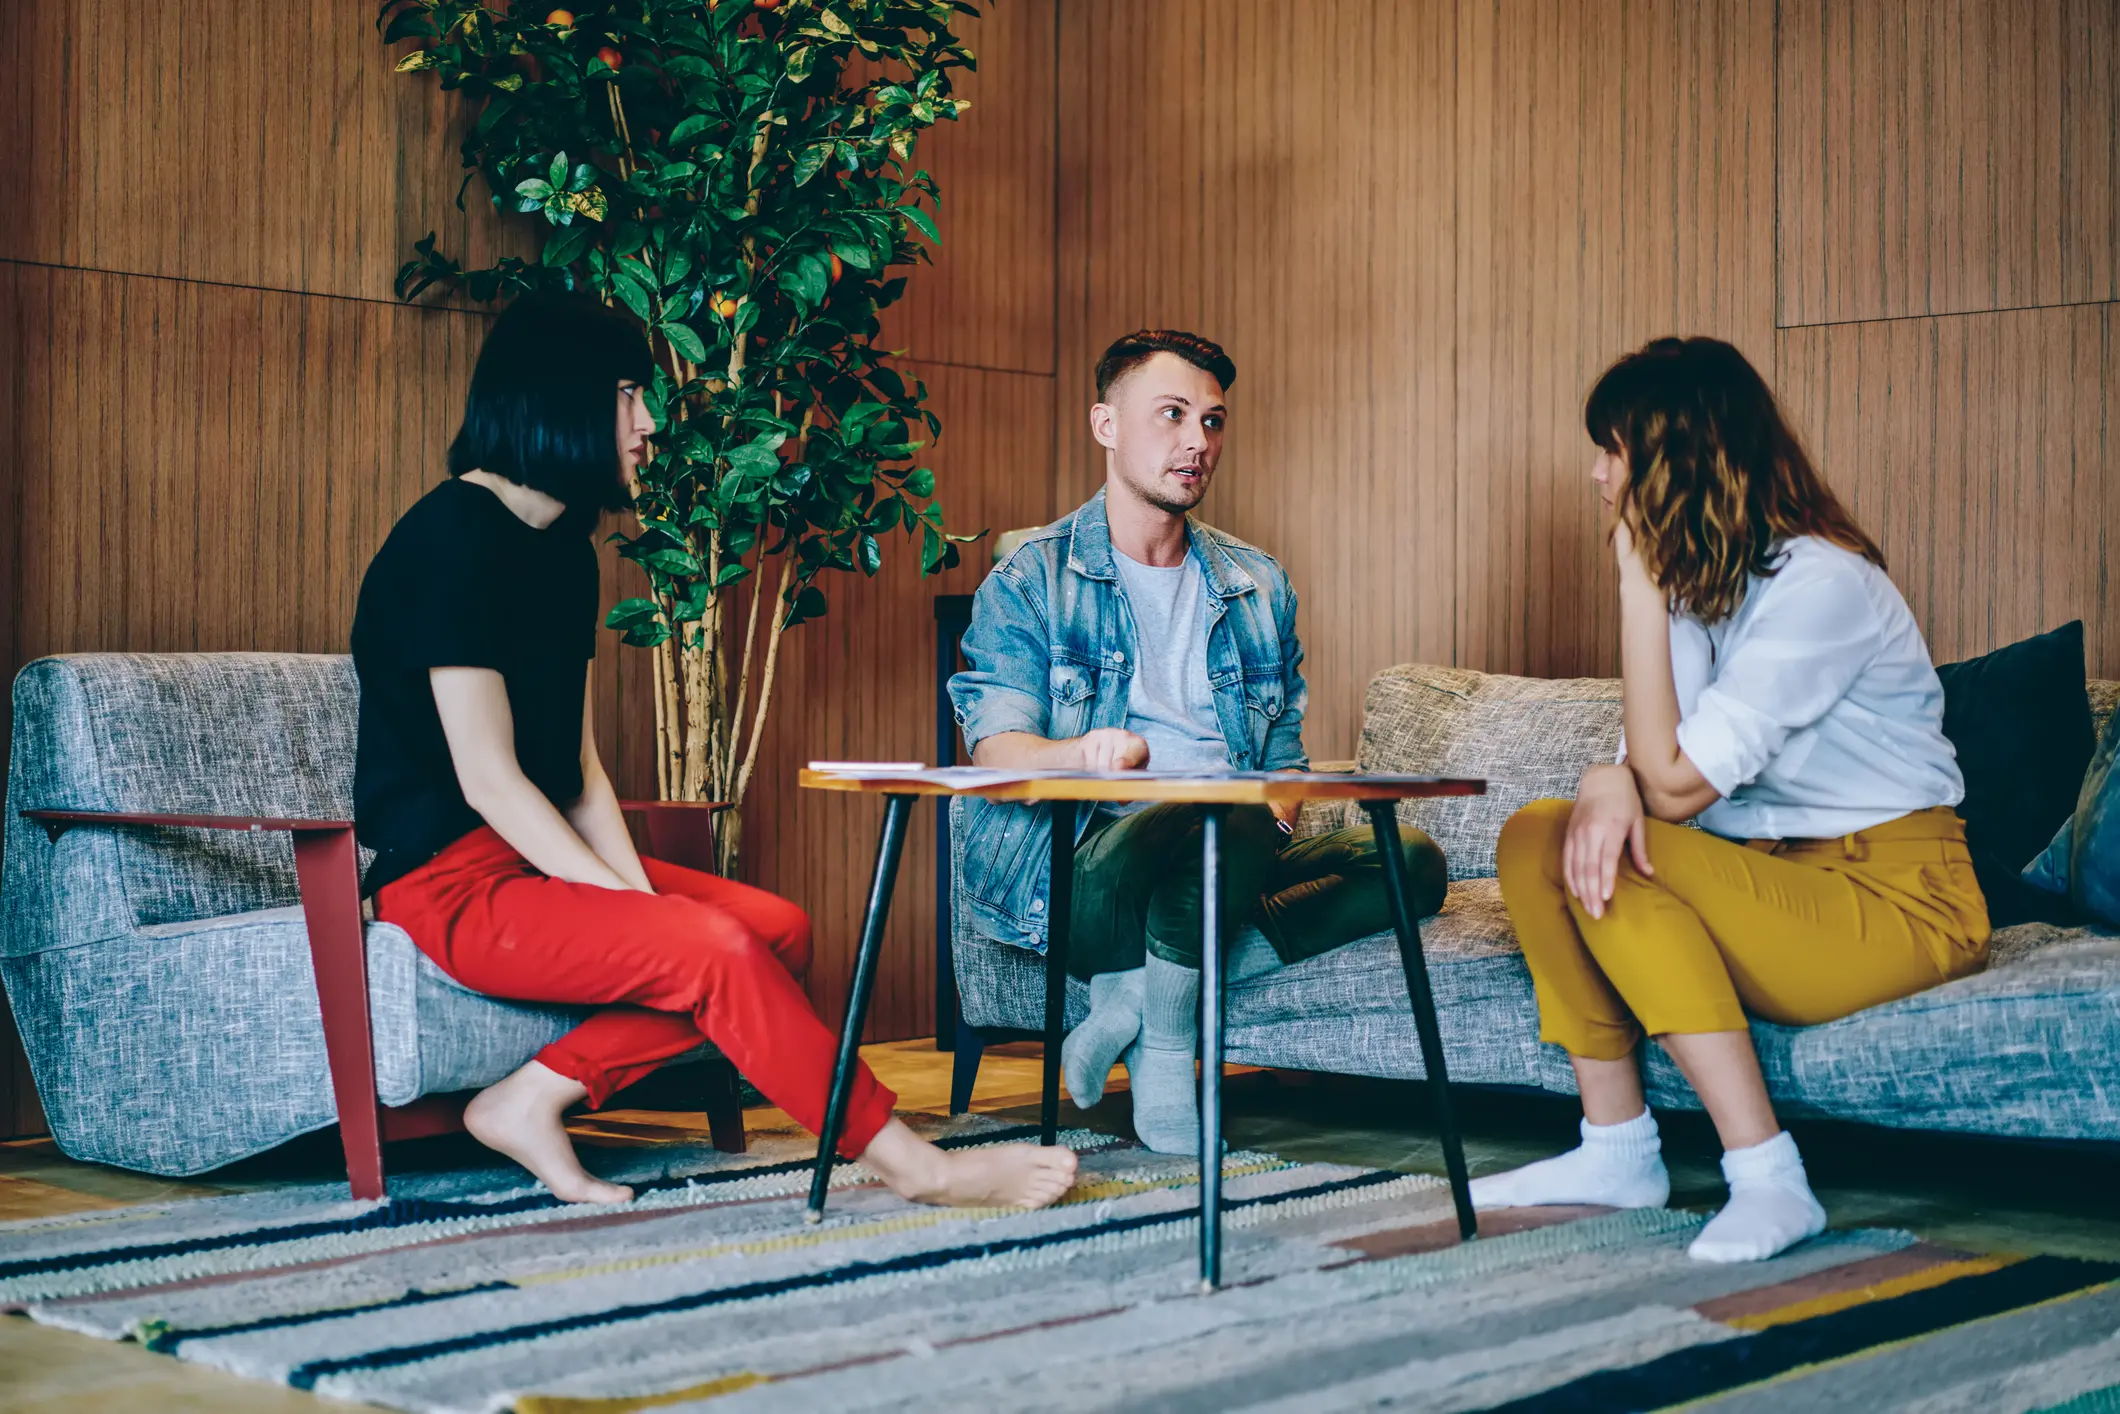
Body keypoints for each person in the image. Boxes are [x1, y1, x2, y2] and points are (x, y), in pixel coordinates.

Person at [350, 293, 1075, 1209]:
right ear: (560, 398)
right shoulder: (446, 541)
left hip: (526, 867)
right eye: (628, 394)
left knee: (778, 929)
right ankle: (917, 1167)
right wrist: (625, 906)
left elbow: (576, 777)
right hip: (450, 885)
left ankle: (530, 1097)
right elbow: (491, 780)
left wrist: (635, 898)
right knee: (712, 948)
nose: (649, 422)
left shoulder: (565, 548)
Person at [1471, 336, 1988, 1262]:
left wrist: (1634, 577)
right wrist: (1603, 775)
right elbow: (1642, 771)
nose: (1596, 475)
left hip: (1898, 904)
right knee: (1534, 835)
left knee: (1604, 846)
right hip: (1774, 891)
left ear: (1673, 459)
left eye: (1612, 451)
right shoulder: (1708, 586)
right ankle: (1616, 1150)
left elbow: (1668, 789)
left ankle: (1770, 1178)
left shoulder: (1823, 584)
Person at [948, 329, 1448, 1155]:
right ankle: (1169, 1055)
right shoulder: (1031, 576)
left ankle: (1136, 1006)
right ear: (1106, 425)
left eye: (1212, 422)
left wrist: (1277, 813)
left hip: (1230, 842)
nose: (1197, 442)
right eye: (1172, 415)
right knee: (1213, 810)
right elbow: (996, 749)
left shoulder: (1258, 584)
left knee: (1412, 861)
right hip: (1085, 867)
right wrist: (1083, 754)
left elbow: (1282, 763)